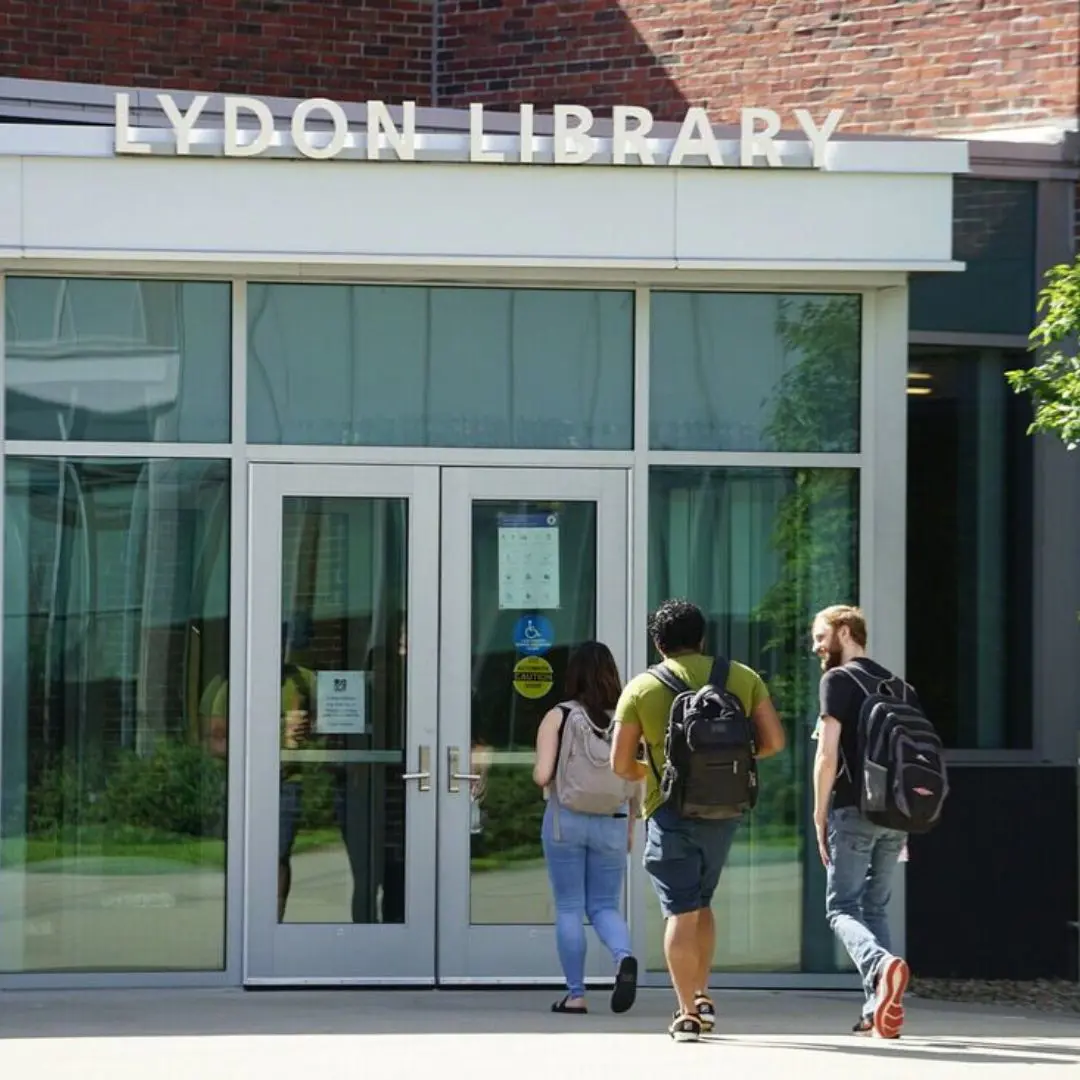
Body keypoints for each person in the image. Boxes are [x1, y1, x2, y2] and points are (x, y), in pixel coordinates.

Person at [611, 599, 785, 1041]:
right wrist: (727, 767)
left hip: (668, 810)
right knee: (702, 902)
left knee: (680, 911)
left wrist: (652, 771)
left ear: (658, 642)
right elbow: (773, 742)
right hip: (724, 809)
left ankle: (687, 1012)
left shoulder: (641, 688)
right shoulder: (743, 677)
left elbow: (619, 763)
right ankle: (702, 993)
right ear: (703, 638)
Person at [810, 604, 913, 1039]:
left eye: (821, 637)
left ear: (845, 631)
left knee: (841, 907)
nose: (816, 647)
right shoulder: (899, 686)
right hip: (899, 813)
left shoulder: (837, 680)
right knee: (875, 907)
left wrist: (818, 814)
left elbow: (827, 753)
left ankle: (881, 965)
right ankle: (877, 1010)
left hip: (854, 808)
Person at [533, 641, 642, 1016]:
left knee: (569, 907)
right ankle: (623, 956)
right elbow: (636, 777)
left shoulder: (559, 716)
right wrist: (631, 823)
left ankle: (576, 994)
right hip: (613, 820)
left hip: (566, 820)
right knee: (604, 906)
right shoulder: (627, 719)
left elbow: (543, 774)